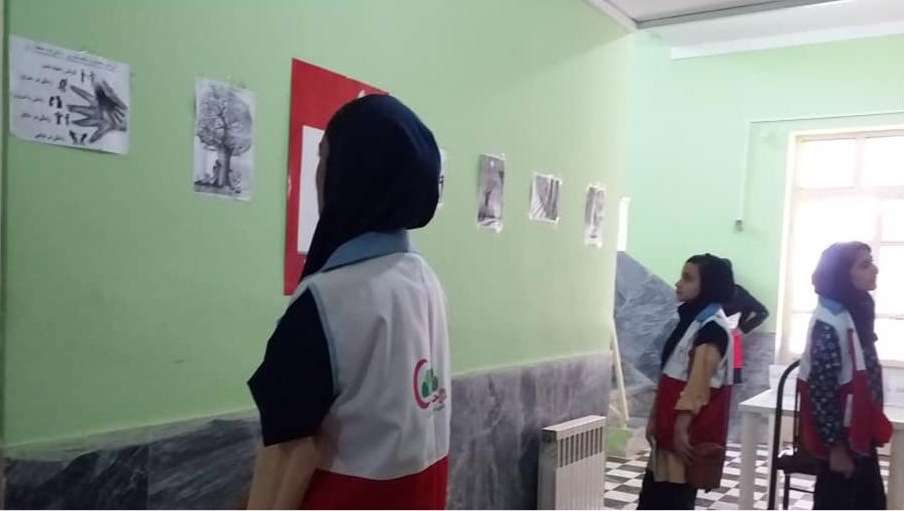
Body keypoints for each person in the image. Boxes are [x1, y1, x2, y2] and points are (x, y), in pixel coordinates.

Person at [245, 95, 450, 509]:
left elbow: (290, 452)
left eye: (324, 157)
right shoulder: (425, 281)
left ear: (351, 173)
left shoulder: (330, 298)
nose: (318, 174)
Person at [797, 242, 892, 510]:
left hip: (858, 432)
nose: (874, 269)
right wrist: (835, 447)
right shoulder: (830, 321)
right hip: (841, 438)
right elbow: (821, 389)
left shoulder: (857, 309)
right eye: (864, 265)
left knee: (869, 501)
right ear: (842, 275)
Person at [638, 254, 735, 510]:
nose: (678, 283)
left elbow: (697, 385)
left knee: (672, 499)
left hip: (684, 435)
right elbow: (671, 371)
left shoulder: (712, 328)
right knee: (654, 497)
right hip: (669, 426)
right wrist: (654, 417)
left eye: (688, 278)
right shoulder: (692, 319)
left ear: (708, 286)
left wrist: (681, 429)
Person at [722, 281, 769, 383]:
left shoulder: (739, 294)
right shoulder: (708, 291)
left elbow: (763, 312)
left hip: (731, 340)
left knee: (730, 380)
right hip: (710, 341)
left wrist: (742, 328)